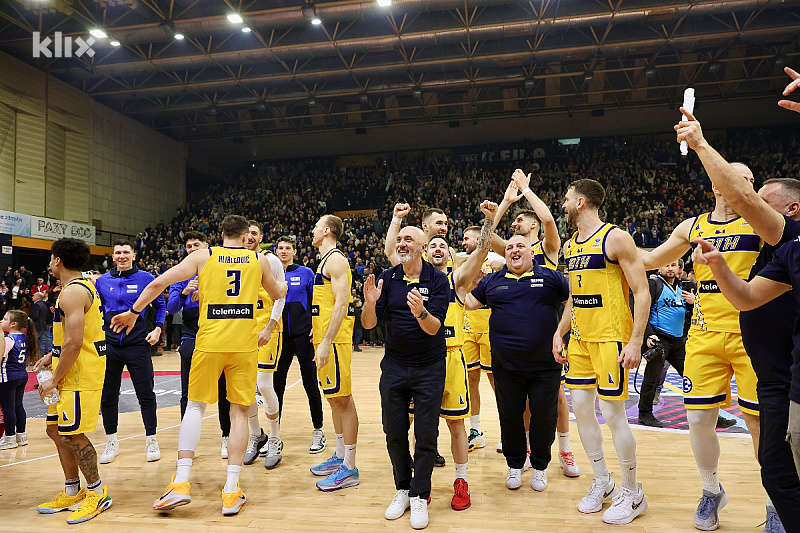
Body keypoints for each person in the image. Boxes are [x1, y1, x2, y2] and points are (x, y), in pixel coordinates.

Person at [111, 214, 286, 516]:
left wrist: (134, 312)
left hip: (209, 342)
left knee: (195, 407)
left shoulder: (203, 256)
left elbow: (159, 282)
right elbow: (275, 293)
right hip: (243, 346)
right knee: (240, 412)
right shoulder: (259, 261)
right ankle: (231, 491)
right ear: (246, 237)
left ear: (220, 235)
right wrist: (280, 289)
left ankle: (181, 482)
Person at [676, 108, 799, 530]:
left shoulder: (777, 231)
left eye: (761, 197)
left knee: (766, 434)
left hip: (763, 349)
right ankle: (716, 491)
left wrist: (699, 143)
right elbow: (747, 296)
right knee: (706, 423)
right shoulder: (779, 256)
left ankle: (777, 503)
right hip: (723, 339)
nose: (752, 200)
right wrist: (718, 266)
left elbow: (745, 200)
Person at [639, 155, 763, 531]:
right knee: (698, 420)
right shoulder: (693, 226)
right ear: (716, 184)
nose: (748, 187)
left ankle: (777, 501)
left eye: (752, 181)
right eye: (740, 179)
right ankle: (711, 491)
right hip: (705, 336)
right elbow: (646, 259)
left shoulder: (761, 221)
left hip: (753, 335)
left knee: (762, 424)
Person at [554, 179, 650, 525]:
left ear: (581, 202)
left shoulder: (616, 238)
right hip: (579, 340)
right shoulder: (569, 246)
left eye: (566, 199)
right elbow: (574, 299)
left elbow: (641, 292)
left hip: (612, 339)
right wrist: (559, 331)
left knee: (613, 415)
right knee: (581, 409)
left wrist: (636, 340)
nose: (563, 204)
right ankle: (603, 479)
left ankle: (633, 490)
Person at [490, 171, 580, 477]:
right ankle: (527, 448)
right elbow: (488, 237)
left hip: (551, 336)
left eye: (521, 221)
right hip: (518, 345)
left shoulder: (548, 249)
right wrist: (505, 202)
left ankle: (565, 449)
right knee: (524, 402)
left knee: (555, 398)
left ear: (534, 228)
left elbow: (551, 221)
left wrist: (527, 191)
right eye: (514, 223)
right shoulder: (513, 252)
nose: (516, 225)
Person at [362, 225, 450, 530]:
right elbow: (370, 324)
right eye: (399, 239)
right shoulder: (388, 278)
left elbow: (434, 328)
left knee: (426, 434)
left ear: (422, 246)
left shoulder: (438, 280)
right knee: (394, 430)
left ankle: (419, 494)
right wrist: (370, 303)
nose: (401, 243)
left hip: (429, 367)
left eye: (408, 239)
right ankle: (402, 488)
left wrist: (421, 313)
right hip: (395, 366)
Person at [467, 232, 569, 492]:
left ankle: (540, 466)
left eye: (520, 246)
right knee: (510, 415)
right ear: (505, 254)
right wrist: (456, 280)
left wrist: (560, 333)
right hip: (506, 366)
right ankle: (515, 464)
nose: (514, 250)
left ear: (531, 252)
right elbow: (468, 303)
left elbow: (573, 300)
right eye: (510, 247)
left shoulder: (550, 277)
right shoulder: (493, 281)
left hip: (545, 366)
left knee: (544, 416)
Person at [33, 238, 112, 524]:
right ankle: (72, 490)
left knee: (72, 434)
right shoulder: (75, 289)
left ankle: (97, 492)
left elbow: (76, 342)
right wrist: (51, 358)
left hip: (79, 374)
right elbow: (66, 339)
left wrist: (53, 378)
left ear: (58, 260)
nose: (50, 262)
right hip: (68, 369)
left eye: (51, 258)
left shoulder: (73, 293)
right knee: (55, 430)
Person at [425, 201, 496, 510]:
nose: (438, 248)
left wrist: (490, 220)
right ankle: (421, 481)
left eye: (444, 245)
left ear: (450, 254)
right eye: (433, 245)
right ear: (424, 252)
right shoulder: (414, 279)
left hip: (452, 358)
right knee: (421, 427)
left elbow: (481, 251)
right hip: (422, 361)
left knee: (456, 426)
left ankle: (461, 481)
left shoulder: (457, 280)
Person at [95, 240, 166, 464]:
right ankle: (111, 441)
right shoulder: (102, 281)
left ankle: (151, 439)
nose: (122, 256)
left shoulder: (146, 278)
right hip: (110, 346)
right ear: (113, 256)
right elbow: (95, 310)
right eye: (118, 252)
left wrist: (157, 329)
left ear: (134, 255)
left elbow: (161, 306)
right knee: (108, 395)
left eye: (126, 252)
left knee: (145, 394)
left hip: (138, 345)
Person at [167, 231, 231, 459]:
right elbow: (172, 308)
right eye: (189, 246)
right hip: (191, 334)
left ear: (207, 247)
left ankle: (227, 437)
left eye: (197, 245)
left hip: (217, 333)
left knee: (224, 390)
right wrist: (185, 293)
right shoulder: (181, 276)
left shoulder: (219, 270)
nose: (192, 249)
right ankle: (187, 444)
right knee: (188, 393)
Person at [309, 215, 360, 491]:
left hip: (336, 341)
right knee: (332, 399)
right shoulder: (325, 259)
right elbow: (327, 304)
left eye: (317, 226)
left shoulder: (337, 260)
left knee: (343, 400)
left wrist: (327, 340)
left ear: (327, 230)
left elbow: (342, 304)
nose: (313, 230)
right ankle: (340, 455)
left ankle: (350, 467)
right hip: (324, 338)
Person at [273, 236, 326, 454]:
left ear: (294, 251)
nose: (284, 251)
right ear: (276, 251)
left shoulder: (305, 273)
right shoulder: (270, 274)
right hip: (280, 338)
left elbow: (316, 302)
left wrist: (316, 326)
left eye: (288, 248)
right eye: (281, 248)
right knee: (275, 387)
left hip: (304, 336)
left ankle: (318, 430)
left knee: (310, 385)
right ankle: (274, 434)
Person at [241, 221, 286, 469]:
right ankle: (256, 436)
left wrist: (269, 326)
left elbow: (281, 295)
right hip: (242, 332)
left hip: (268, 329)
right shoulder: (236, 262)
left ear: (261, 237)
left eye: (254, 233)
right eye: (246, 233)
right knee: (245, 386)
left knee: (263, 384)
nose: (249, 237)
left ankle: (276, 438)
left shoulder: (272, 260)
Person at [637, 262, 690, 428]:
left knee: (694, 376)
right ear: (659, 268)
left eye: (673, 265)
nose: (670, 268)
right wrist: (648, 334)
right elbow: (642, 309)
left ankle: (710, 414)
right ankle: (644, 414)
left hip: (679, 340)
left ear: (679, 269)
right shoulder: (654, 284)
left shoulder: (684, 287)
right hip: (659, 338)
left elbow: (690, 313)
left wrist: (695, 302)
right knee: (652, 378)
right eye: (666, 265)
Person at [0, 310, 39, 449]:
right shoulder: (23, 337)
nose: (1, 321)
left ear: (13, 324)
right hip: (22, 375)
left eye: (4, 319)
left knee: (8, 408)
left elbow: (1, 356)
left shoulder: (7, 339)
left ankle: (10, 437)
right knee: (18, 406)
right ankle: (21, 435)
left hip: (8, 377)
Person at [30, 291, 51, 357]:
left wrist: (29, 319)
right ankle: (40, 357)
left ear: (37, 297)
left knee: (32, 342)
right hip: (42, 325)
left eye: (34, 295)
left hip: (37, 326)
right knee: (40, 343)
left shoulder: (36, 305)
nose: (32, 297)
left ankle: (32, 358)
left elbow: (35, 316)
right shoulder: (44, 304)